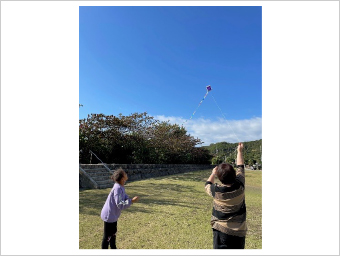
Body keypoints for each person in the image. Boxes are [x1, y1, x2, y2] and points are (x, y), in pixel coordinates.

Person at [205, 142, 247, 249]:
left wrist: (213, 173)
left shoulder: (216, 190)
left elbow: (207, 184)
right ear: (234, 174)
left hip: (221, 230)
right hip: (240, 231)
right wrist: (239, 151)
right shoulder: (240, 185)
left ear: (220, 178)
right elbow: (240, 166)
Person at [100, 168, 139, 249]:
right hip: (109, 215)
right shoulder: (117, 188)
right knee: (107, 237)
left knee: (113, 234)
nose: (126, 175)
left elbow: (124, 197)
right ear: (122, 178)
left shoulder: (120, 186)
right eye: (125, 174)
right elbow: (120, 204)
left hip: (113, 216)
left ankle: (113, 247)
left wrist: (129, 199)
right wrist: (131, 201)